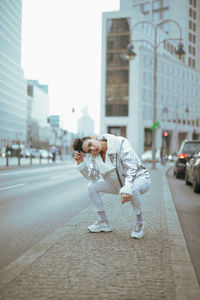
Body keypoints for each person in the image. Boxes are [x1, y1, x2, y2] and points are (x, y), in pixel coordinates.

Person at [72, 133, 151, 239]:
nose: (93, 149)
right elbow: (94, 177)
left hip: (139, 178)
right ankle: (103, 221)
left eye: (90, 144)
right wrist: (81, 163)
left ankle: (139, 222)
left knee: (134, 188)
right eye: (89, 151)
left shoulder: (120, 143)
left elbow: (132, 167)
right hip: (117, 185)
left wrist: (127, 188)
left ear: (93, 138)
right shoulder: (95, 157)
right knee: (91, 187)